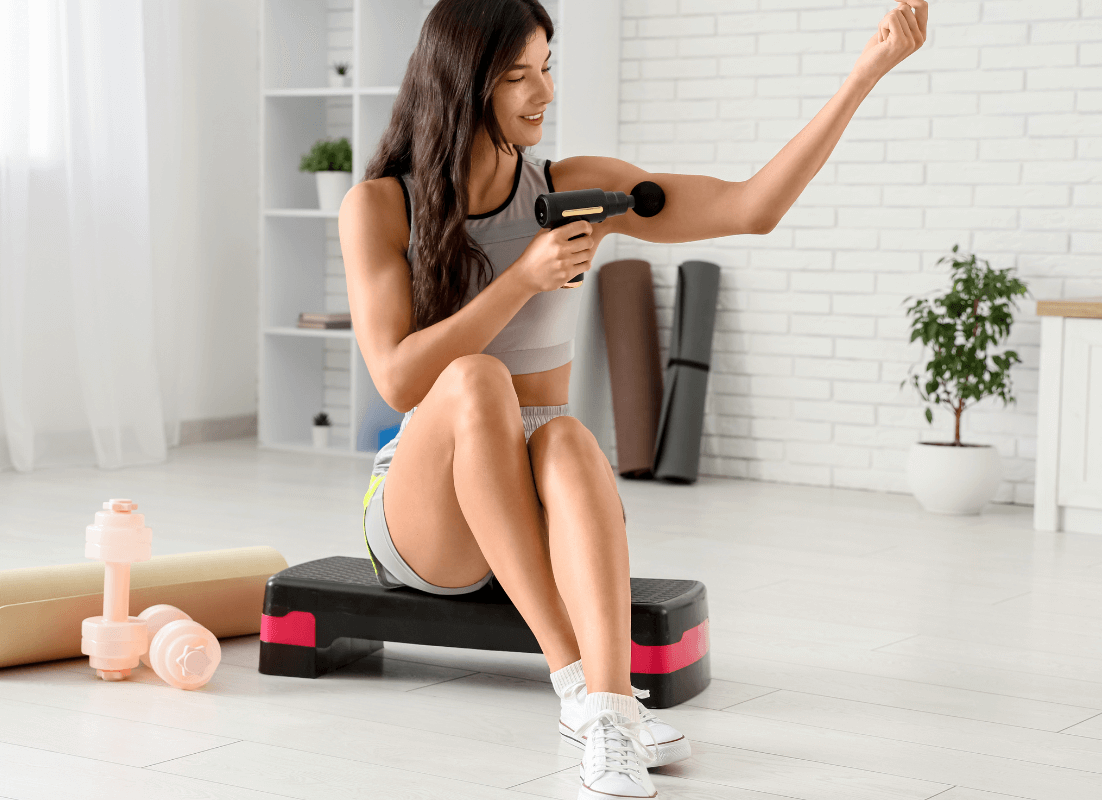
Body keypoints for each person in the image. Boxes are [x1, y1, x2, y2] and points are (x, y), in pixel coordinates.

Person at [339, 1, 928, 797]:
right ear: (461, 83)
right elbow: (401, 381)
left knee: (569, 437)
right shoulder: (382, 205)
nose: (542, 92)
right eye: (517, 76)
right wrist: (523, 279)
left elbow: (752, 208)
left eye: (548, 67)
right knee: (476, 379)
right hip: (427, 512)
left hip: (533, 499)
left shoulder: (576, 188)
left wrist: (864, 75)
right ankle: (577, 683)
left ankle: (611, 718)